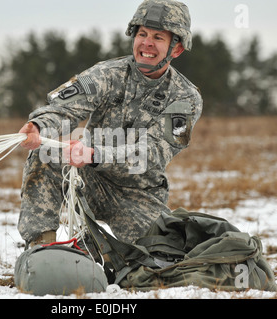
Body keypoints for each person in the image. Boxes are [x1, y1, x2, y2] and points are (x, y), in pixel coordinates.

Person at [17, 0, 203, 248]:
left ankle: (102, 253)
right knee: (45, 154)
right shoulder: (106, 74)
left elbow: (154, 155)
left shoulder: (186, 98)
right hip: (86, 179)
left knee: (159, 261)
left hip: (140, 195)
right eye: (142, 34)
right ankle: (41, 248)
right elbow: (64, 110)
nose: (147, 43)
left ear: (176, 49)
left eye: (158, 37)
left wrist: (94, 154)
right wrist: (39, 126)